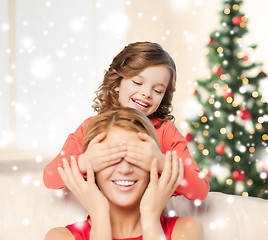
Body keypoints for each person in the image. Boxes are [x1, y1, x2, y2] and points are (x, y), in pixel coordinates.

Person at [43, 41, 209, 201]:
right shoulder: (92, 127)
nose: (146, 93)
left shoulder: (165, 131)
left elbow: (200, 190)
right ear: (117, 83)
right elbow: (50, 177)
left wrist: (161, 162)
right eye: (137, 82)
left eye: (158, 90)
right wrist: (85, 162)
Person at [44, 107, 204, 240]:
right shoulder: (60, 237)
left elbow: (199, 188)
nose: (125, 169)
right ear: (91, 168)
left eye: (136, 157)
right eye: (111, 158)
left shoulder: (186, 230)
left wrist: (150, 218)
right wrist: (100, 218)